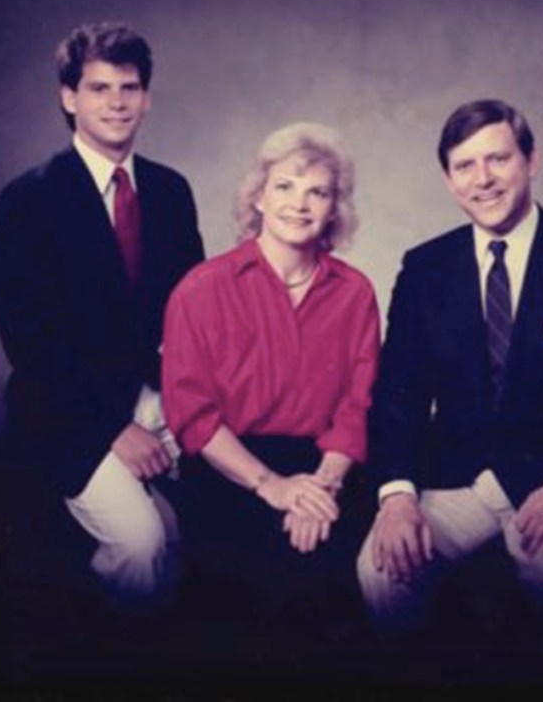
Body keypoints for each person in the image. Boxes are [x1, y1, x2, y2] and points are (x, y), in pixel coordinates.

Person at [356, 99, 543, 682]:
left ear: (532, 161)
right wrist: (396, 496)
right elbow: (399, 394)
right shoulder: (426, 267)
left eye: (498, 158)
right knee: (380, 572)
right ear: (448, 179)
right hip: (458, 475)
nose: (483, 178)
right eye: (465, 166)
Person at [0, 21, 205, 605]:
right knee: (140, 542)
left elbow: (193, 314)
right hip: (69, 412)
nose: (116, 103)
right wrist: (113, 428)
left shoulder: (169, 190)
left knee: (215, 521)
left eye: (128, 88)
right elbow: (31, 342)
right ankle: (120, 663)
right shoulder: (29, 199)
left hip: (160, 399)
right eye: (99, 88)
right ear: (69, 98)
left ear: (147, 97)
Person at [161, 122, 380, 675]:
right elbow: (191, 414)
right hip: (231, 470)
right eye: (285, 186)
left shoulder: (355, 293)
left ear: (334, 209)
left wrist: (321, 488)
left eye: (318, 192)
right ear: (258, 196)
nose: (299, 204)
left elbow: (358, 406)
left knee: (334, 595)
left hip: (325, 469)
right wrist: (272, 486)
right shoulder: (201, 288)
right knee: (248, 597)